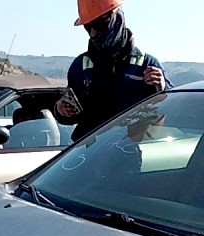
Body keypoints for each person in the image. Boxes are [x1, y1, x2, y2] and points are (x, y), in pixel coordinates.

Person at [54, 0, 169, 143]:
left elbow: (171, 111)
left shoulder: (147, 65)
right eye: (88, 27)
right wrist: (61, 110)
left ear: (118, 18)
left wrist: (163, 90)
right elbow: (72, 116)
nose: (93, 32)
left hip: (127, 151)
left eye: (99, 24)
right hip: (87, 153)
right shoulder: (80, 67)